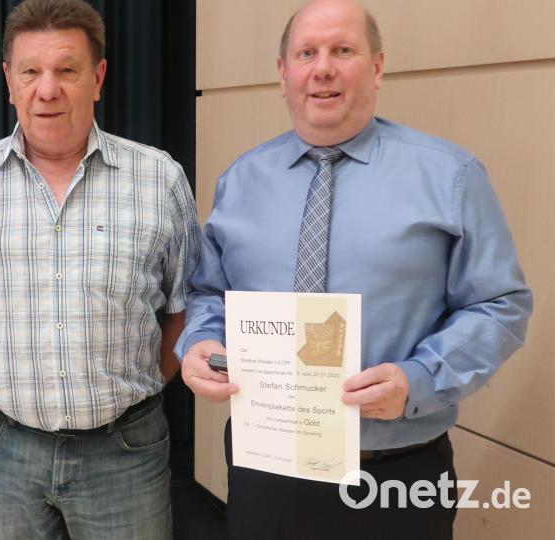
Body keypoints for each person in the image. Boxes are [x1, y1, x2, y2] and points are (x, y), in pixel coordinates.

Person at [176, 0, 532, 538]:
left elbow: (500, 304)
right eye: (306, 53)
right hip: (265, 464)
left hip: (396, 471)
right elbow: (208, 290)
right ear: (283, 73)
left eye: (343, 50)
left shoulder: (449, 176)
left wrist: (421, 379)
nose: (323, 68)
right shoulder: (240, 181)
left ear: (377, 67)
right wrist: (201, 341)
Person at [0, 0, 200, 537]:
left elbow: (187, 308)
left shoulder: (159, 179)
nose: (47, 89)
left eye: (67, 70)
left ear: (97, 78)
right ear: (9, 81)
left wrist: (140, 384)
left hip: (124, 448)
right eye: (30, 71)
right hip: (5, 449)